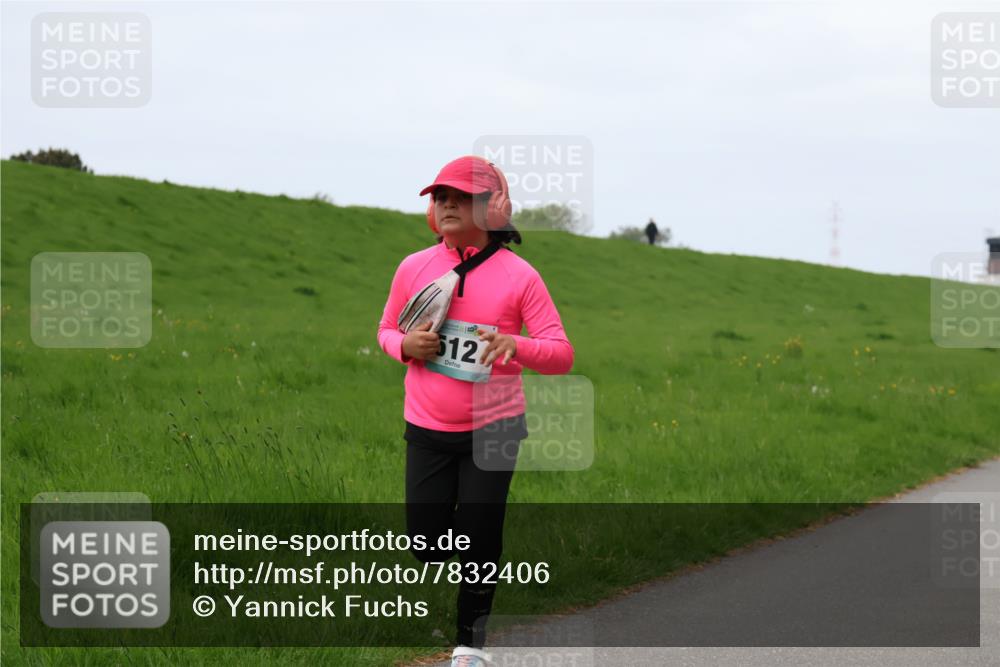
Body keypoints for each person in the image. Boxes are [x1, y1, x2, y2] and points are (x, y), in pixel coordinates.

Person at [376, 155, 574, 667]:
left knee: (480, 538)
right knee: (424, 543)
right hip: (427, 426)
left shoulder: (520, 276)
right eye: (439, 197)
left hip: (495, 426)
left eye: (458, 197)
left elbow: (560, 352)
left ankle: (469, 645)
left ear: (491, 206)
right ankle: (472, 568)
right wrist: (404, 346)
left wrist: (515, 344)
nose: (444, 204)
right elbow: (385, 329)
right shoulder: (413, 267)